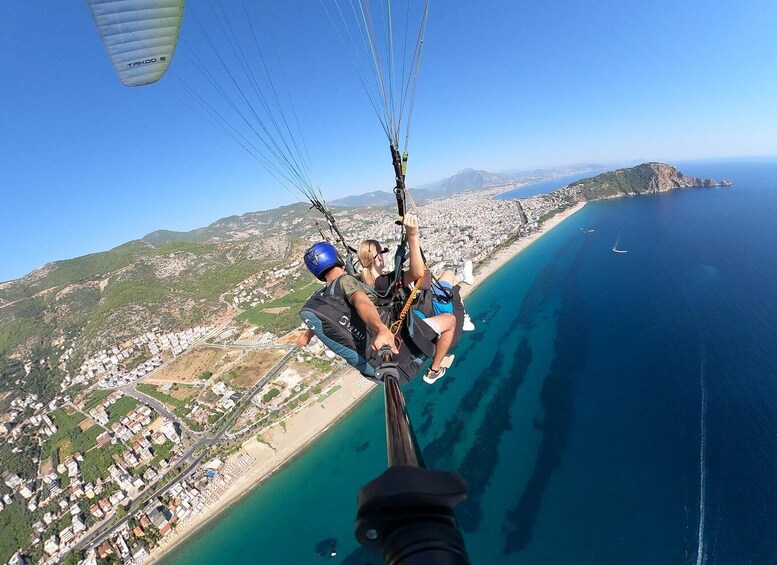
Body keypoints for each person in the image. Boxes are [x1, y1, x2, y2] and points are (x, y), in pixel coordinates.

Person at [354, 213, 474, 383]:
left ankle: (460, 278)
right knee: (450, 319)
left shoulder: (360, 282)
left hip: (409, 318)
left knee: (447, 276)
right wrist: (412, 236)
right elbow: (418, 275)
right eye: (385, 252)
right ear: (379, 257)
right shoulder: (383, 283)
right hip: (408, 328)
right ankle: (434, 370)